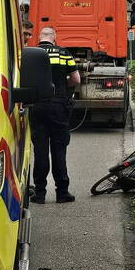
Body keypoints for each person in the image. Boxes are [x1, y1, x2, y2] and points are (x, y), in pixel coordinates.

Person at [30, 27, 80, 204]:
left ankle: (40, 193)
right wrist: (63, 84)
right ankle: (62, 193)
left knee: (40, 151)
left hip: (37, 106)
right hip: (58, 106)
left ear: (39, 37)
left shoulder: (30, 54)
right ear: (54, 37)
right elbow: (76, 79)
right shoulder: (63, 53)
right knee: (59, 150)